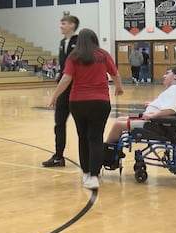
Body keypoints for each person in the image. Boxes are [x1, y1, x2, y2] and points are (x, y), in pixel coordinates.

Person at [47, 28, 124, 190]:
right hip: (100, 102)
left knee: (83, 138)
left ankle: (86, 174)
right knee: (95, 138)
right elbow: (115, 74)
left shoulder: (74, 56)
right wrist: (119, 88)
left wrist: (54, 95)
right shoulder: (103, 55)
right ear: (95, 39)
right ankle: (94, 177)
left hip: (78, 102)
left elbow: (66, 78)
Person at [104, 67, 176, 145]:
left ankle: (107, 152)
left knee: (117, 125)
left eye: (167, 73)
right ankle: (112, 152)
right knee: (119, 119)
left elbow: (170, 109)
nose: (164, 76)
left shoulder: (175, 90)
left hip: (155, 124)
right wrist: (151, 104)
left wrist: (152, 115)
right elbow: (166, 105)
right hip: (156, 122)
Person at [42, 15, 79, 168]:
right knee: (59, 124)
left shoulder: (78, 42)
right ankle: (58, 156)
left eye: (63, 23)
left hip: (76, 89)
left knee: (81, 126)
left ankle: (88, 158)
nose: (61, 26)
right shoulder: (62, 42)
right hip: (64, 89)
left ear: (72, 25)